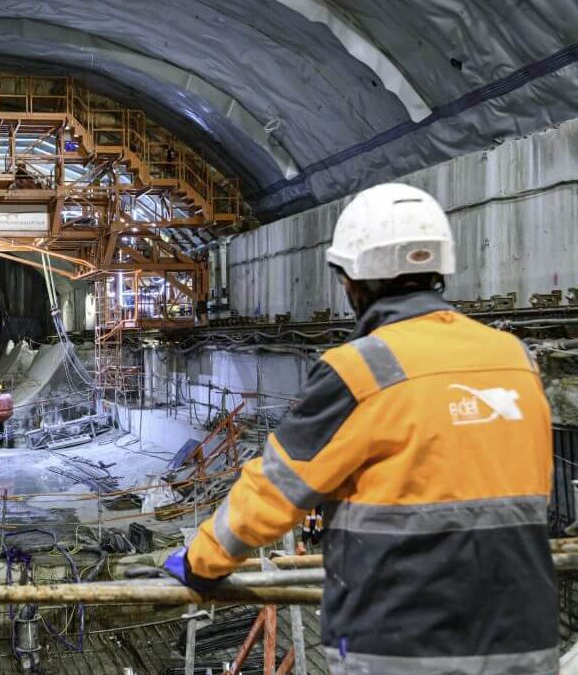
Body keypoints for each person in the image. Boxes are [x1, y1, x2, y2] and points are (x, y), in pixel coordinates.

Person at [163, 183, 557, 674]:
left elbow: (275, 489)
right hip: (528, 642)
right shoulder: (514, 358)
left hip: (406, 646)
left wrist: (202, 561)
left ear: (351, 280)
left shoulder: (361, 369)